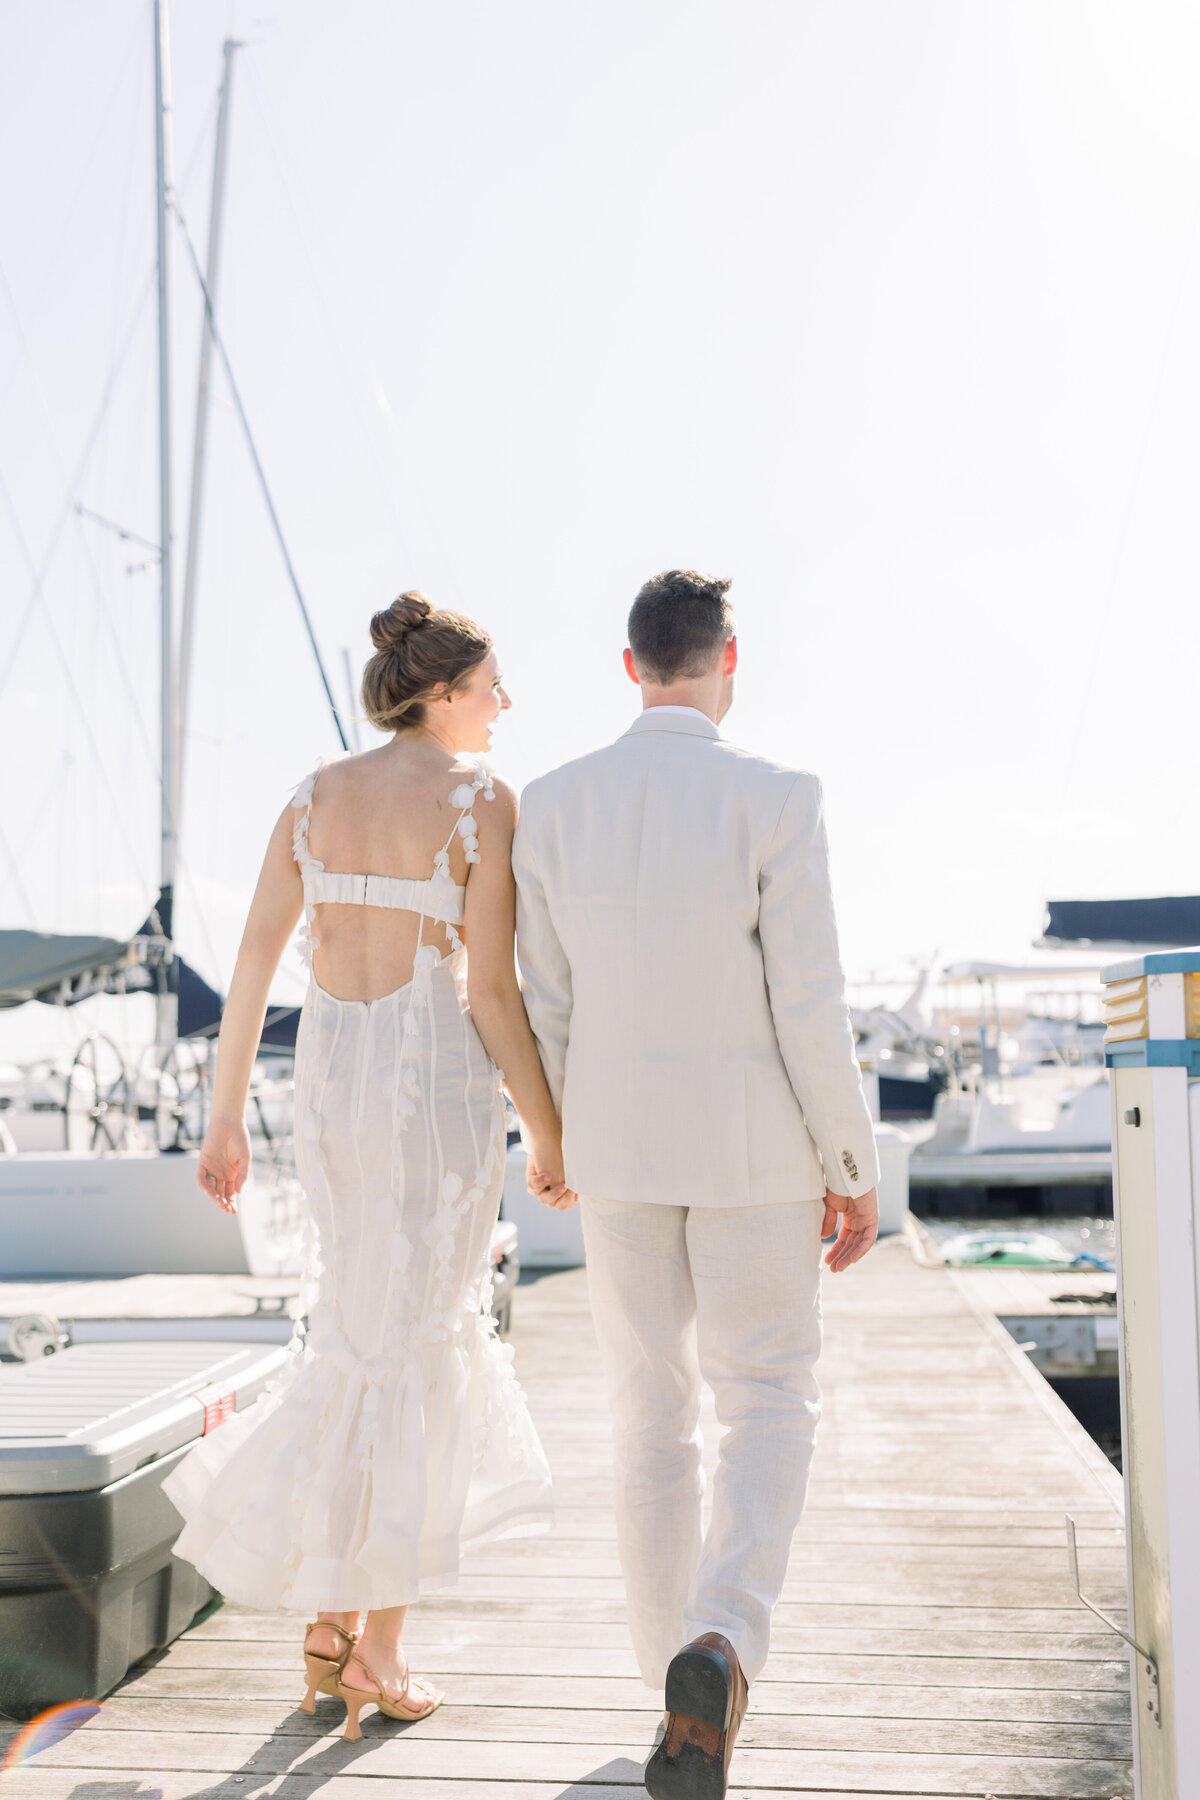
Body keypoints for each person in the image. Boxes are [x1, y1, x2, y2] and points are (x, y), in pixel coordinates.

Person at [164, 593, 568, 1742]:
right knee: (421, 1345)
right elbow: (491, 993)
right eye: (492, 686)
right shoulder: (484, 802)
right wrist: (546, 1132)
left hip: (331, 1086)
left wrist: (224, 1119)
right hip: (432, 1086)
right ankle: (379, 1653)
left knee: (354, 1330)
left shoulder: (312, 796)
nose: (504, 705)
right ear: (442, 694)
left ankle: (331, 1629)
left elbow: (249, 966)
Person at [512, 569, 880, 1800]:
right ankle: (718, 1641)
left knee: (647, 1416)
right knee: (768, 1398)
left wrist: (554, 1138)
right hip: (755, 1154)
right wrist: (851, 1165)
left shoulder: (554, 806)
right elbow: (810, 1005)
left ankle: (669, 1672)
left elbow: (545, 1002)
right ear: (730, 661)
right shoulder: (778, 798)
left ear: (631, 666)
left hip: (616, 1155)